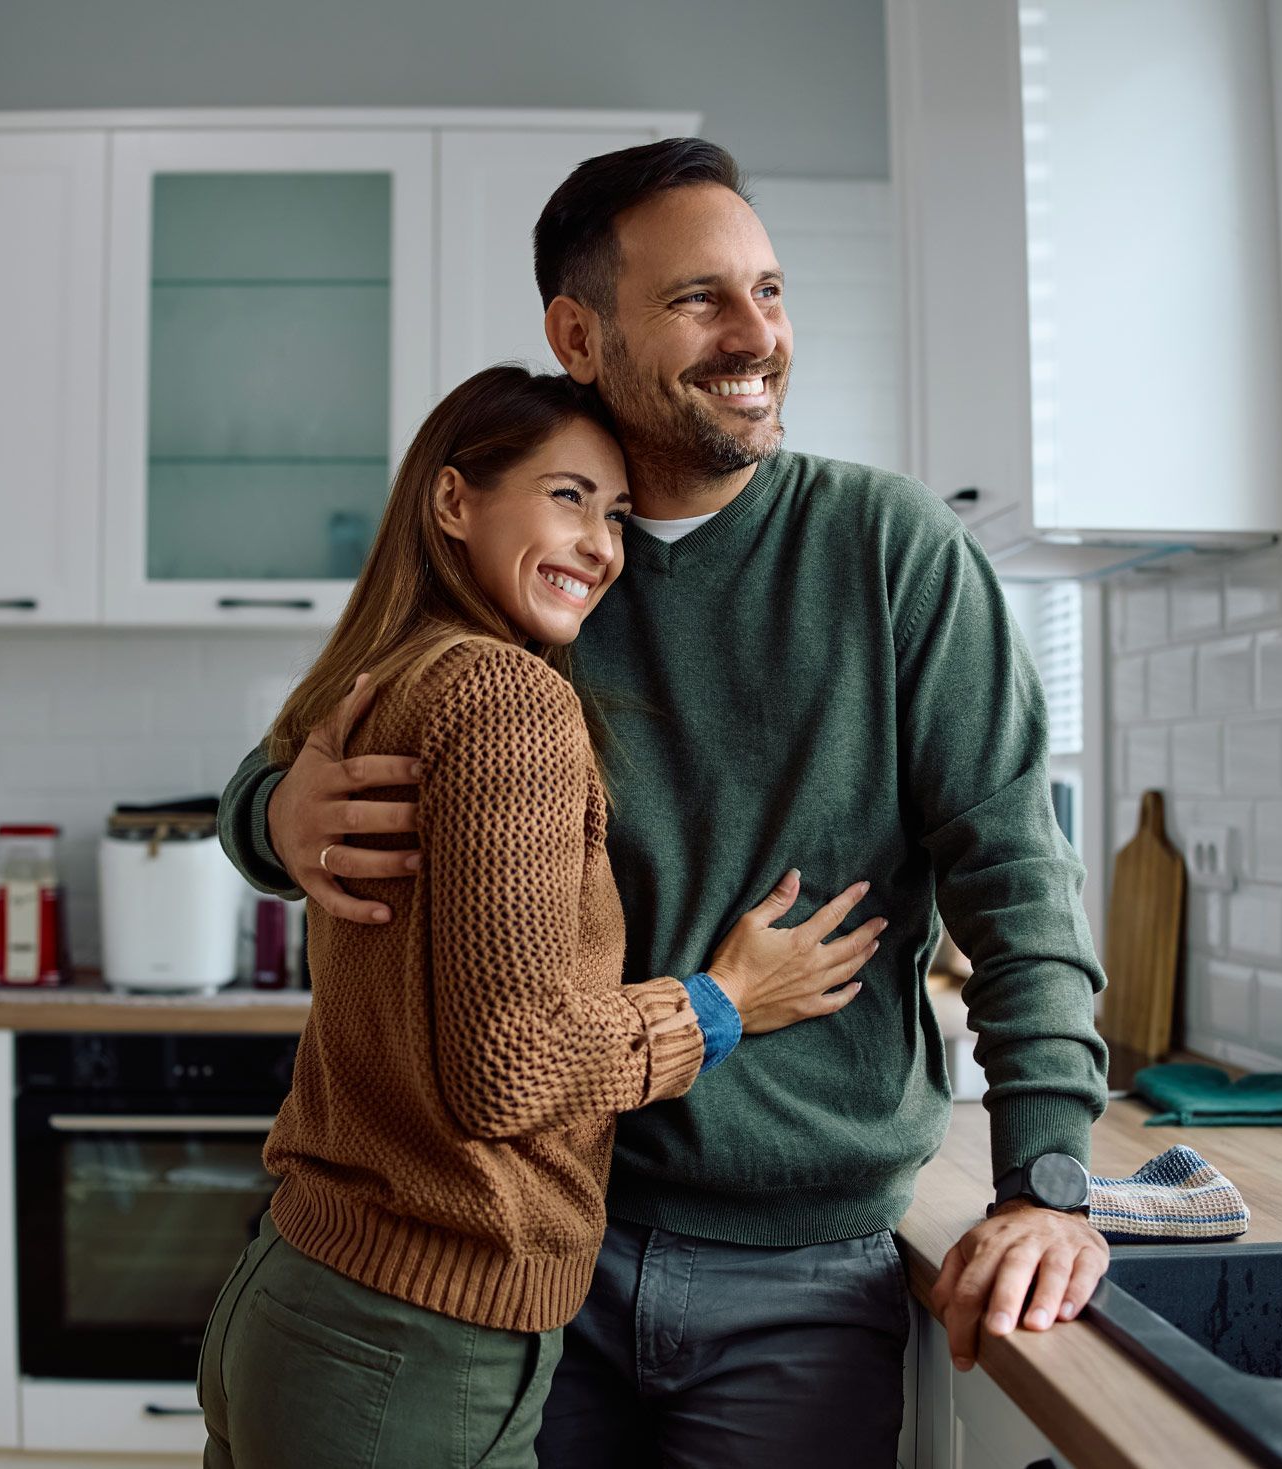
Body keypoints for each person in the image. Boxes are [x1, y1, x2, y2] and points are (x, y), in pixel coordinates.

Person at [218, 139, 1111, 1467]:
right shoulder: (541, 569)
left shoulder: (891, 549)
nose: (756, 334)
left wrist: (1047, 1180)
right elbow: (318, 738)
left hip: (802, 1274)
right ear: (579, 332)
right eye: (700, 297)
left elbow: (1015, 871)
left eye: (770, 288)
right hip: (540, 1252)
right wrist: (275, 817)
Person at [197, 365, 886, 1469]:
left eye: (615, 513)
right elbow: (509, 1069)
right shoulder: (507, 696)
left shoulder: (377, 677)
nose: (604, 545)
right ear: (455, 499)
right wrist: (724, 1002)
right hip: (410, 1339)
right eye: (568, 497)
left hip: (301, 1298)